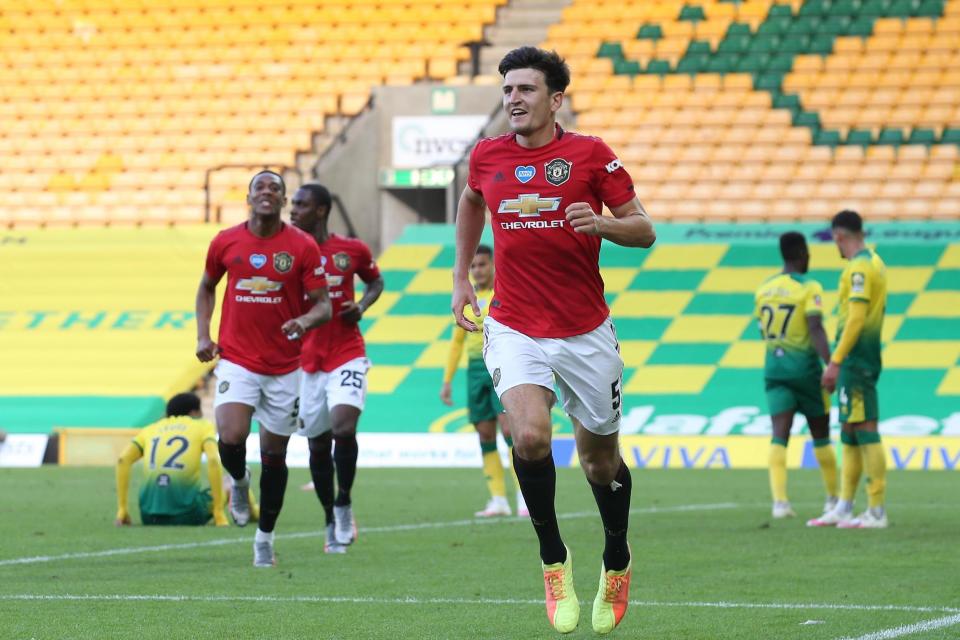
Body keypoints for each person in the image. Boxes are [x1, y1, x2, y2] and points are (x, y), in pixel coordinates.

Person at [451, 47, 655, 635]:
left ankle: (616, 554)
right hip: (513, 324)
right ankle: (553, 560)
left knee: (599, 463)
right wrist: (461, 277)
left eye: (526, 90)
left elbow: (645, 229)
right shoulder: (486, 157)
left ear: (555, 98)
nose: (513, 99)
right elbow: (470, 202)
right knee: (532, 437)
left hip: (586, 331)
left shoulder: (591, 155)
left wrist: (605, 224)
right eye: (507, 89)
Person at [196, 170, 331, 567]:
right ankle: (238, 481)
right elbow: (206, 287)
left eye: (275, 188)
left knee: (275, 454)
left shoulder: (302, 246)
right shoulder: (226, 241)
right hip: (237, 359)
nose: (268, 192)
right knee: (231, 434)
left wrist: (304, 322)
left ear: (284, 199)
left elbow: (322, 304)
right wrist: (204, 336)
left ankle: (265, 537)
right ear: (249, 198)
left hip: (285, 367)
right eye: (261, 187)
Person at [289, 183, 384, 553]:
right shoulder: (287, 252)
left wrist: (361, 306)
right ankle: (330, 516)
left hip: (347, 351)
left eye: (301, 204)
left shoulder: (351, 249)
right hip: (305, 360)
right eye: (292, 204)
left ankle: (344, 500)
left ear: (322, 210)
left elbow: (376, 281)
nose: (293, 209)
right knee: (317, 444)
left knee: (343, 426)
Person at [808, 210, 888, 529]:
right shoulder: (874, 263)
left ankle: (877, 510)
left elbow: (855, 319)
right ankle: (844, 505)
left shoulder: (860, 269)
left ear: (839, 236)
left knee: (866, 428)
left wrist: (836, 361)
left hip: (856, 359)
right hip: (856, 359)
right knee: (851, 431)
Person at [754, 232, 837, 521]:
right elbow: (815, 328)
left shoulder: (764, 289)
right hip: (806, 371)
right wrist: (831, 362)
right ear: (802, 253)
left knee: (779, 436)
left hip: (775, 371)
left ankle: (780, 503)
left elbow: (762, 330)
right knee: (821, 436)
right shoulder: (808, 287)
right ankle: (833, 500)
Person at [440, 244, 527, 518]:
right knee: (485, 434)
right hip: (475, 371)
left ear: (492, 266)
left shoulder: (504, 295)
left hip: (501, 368)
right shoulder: (466, 298)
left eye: (482, 265)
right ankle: (498, 500)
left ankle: (525, 498)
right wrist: (447, 380)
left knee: (510, 432)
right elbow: (456, 342)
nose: (477, 270)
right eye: (473, 266)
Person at [115, 392, 235, 526]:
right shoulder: (203, 426)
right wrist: (218, 511)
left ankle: (122, 513)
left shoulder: (149, 429)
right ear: (194, 412)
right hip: (188, 514)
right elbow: (213, 460)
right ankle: (256, 512)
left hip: (148, 516)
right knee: (233, 480)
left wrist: (122, 509)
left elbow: (123, 460)